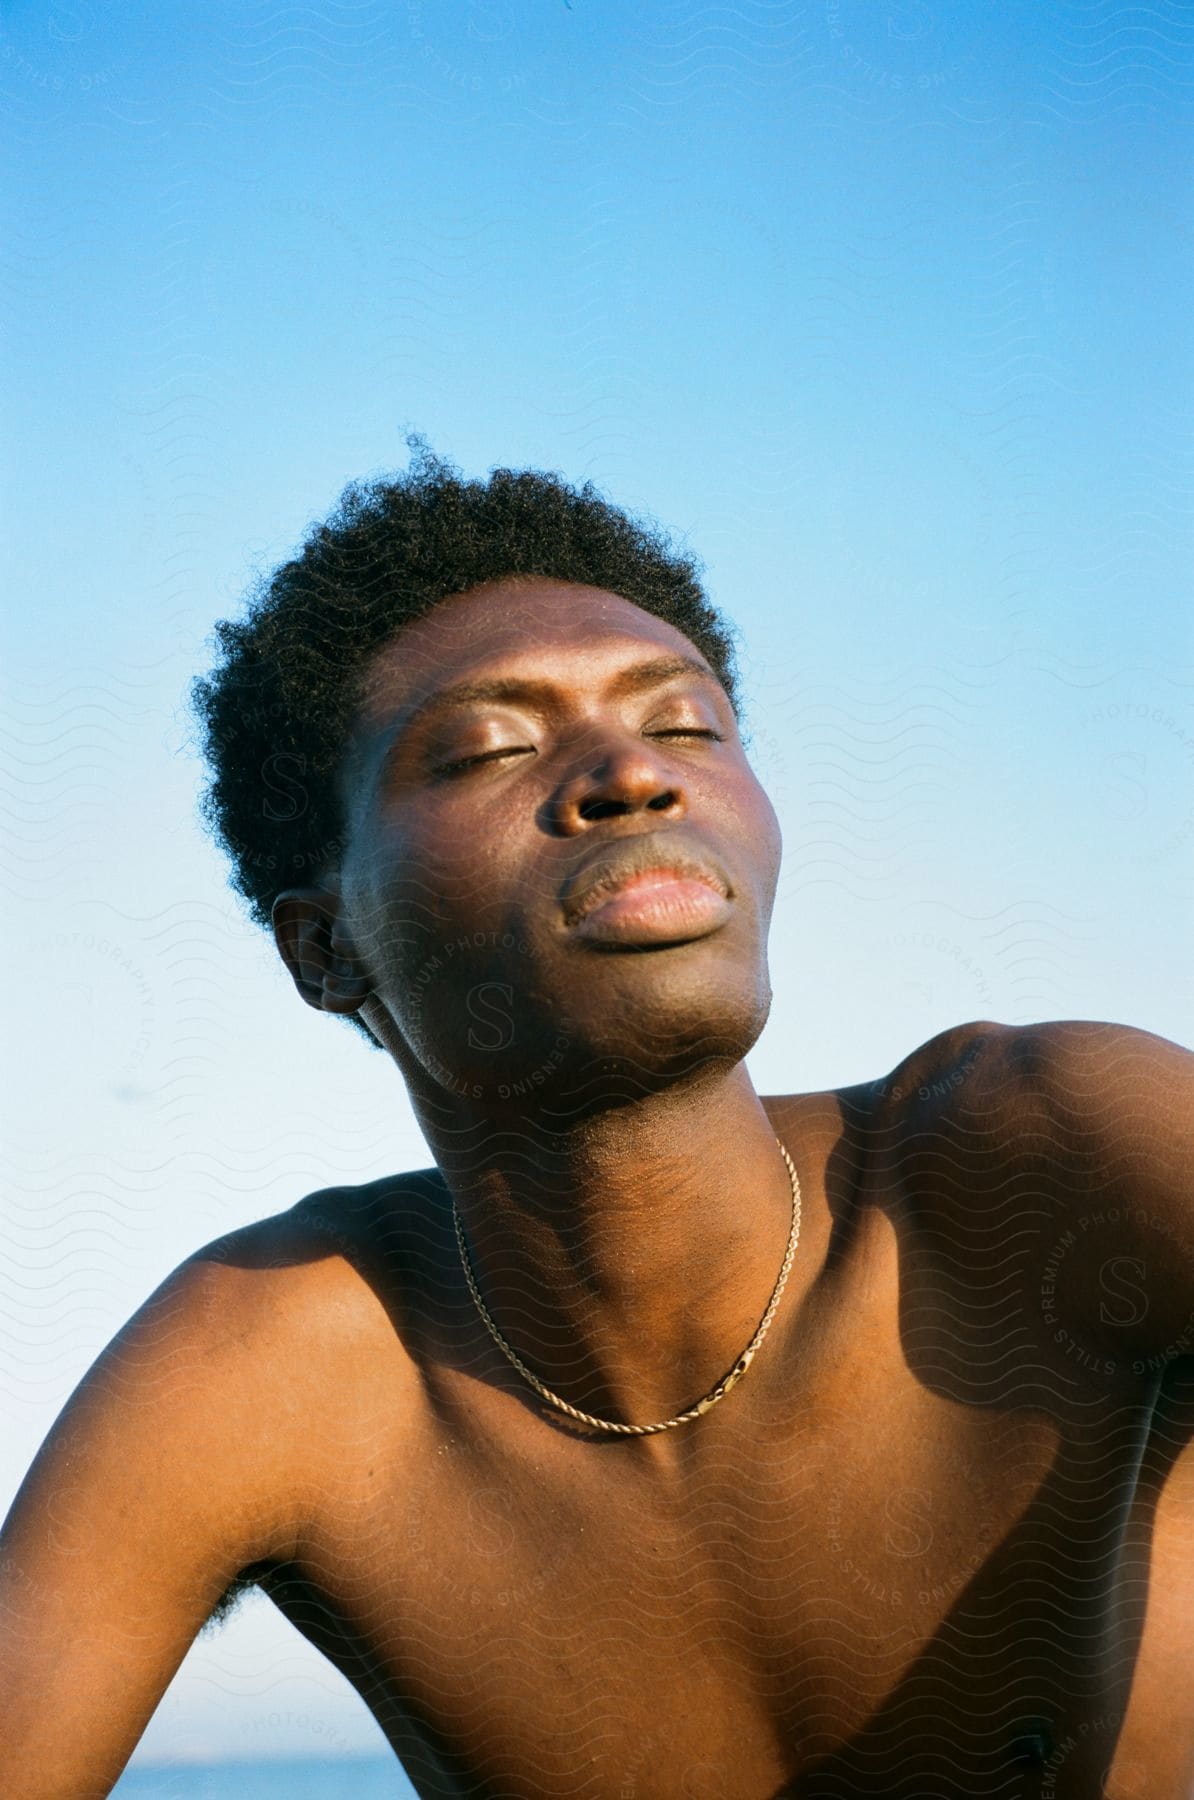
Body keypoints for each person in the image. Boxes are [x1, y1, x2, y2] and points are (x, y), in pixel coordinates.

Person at [2, 448, 1192, 1799]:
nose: (630, 772)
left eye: (685, 726)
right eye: (487, 748)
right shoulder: (281, 1364)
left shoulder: (1046, 1156)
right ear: (327, 947)